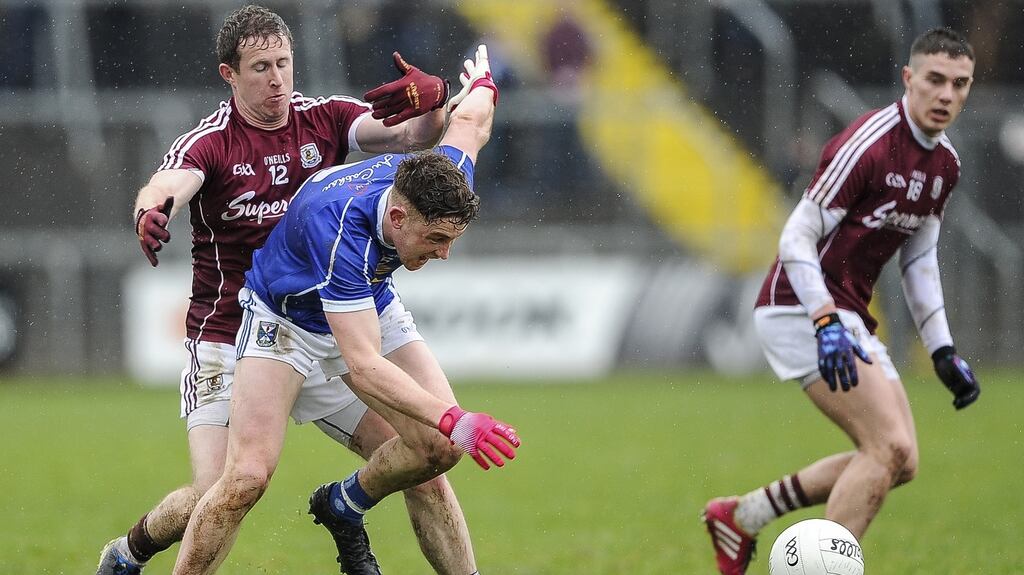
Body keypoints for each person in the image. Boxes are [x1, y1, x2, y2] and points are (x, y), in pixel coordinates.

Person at [96, 5, 482, 575]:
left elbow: (405, 140)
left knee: (421, 462)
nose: (277, 79)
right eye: (260, 68)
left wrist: (431, 105)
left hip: (324, 323)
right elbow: (168, 182)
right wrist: (151, 210)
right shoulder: (211, 142)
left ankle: (358, 514)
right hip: (230, 334)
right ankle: (129, 552)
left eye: (283, 63)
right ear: (228, 75)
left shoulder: (323, 117)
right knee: (223, 487)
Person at [170, 45, 517, 575]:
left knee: (438, 454)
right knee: (245, 480)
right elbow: (364, 366)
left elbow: (471, 124)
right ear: (397, 218)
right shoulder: (342, 232)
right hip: (284, 321)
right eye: (436, 239)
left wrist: (482, 85)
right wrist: (458, 417)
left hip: (366, 302)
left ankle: (344, 504)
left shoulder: (440, 184)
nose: (444, 252)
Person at [701, 28, 982, 575]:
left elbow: (919, 260)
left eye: (960, 84)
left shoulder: (944, 165)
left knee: (902, 460)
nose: (947, 94)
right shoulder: (870, 145)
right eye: (935, 80)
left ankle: (742, 515)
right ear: (908, 79)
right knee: (888, 447)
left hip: (844, 313)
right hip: (799, 307)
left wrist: (943, 349)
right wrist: (824, 318)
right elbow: (795, 238)